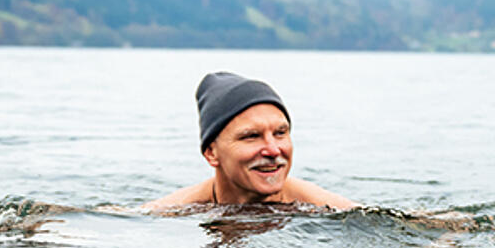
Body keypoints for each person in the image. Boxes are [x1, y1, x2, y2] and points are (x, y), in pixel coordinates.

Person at [145, 72, 357, 212]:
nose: (273, 150)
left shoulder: (330, 209)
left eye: (280, 133)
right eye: (251, 136)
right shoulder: (172, 211)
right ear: (211, 153)